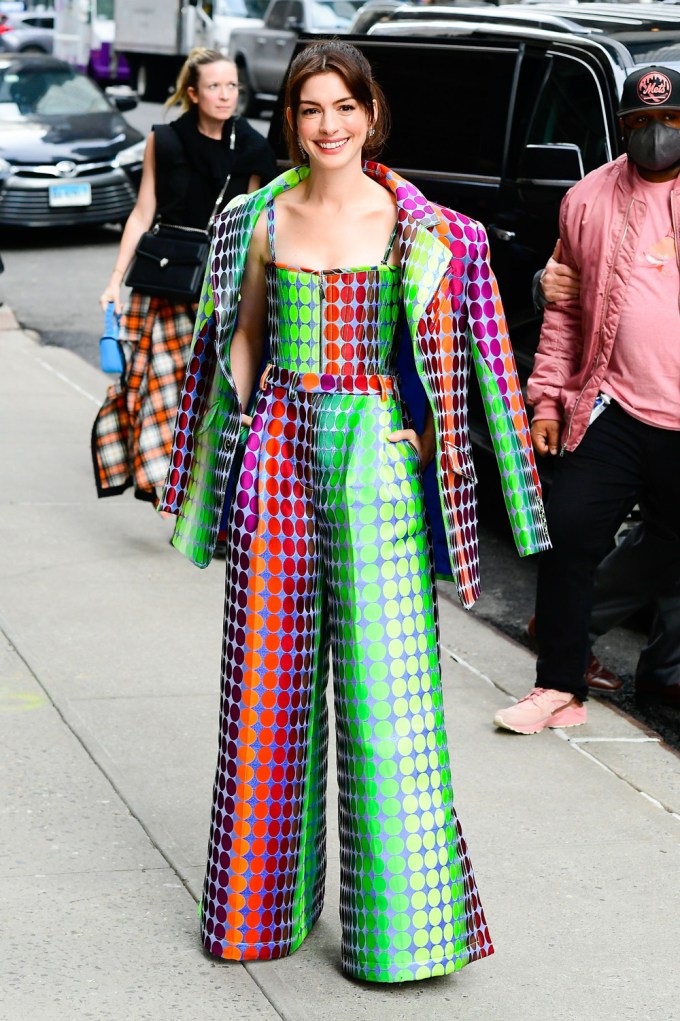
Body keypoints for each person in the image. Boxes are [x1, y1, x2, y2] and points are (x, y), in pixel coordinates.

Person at [160, 40, 550, 982]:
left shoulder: (426, 229)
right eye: (308, 109)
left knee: (386, 696)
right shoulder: (260, 215)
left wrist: (415, 443)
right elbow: (241, 338)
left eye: (344, 106)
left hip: (372, 464)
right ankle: (256, 913)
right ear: (289, 120)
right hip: (279, 458)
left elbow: (477, 368)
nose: (328, 125)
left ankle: (400, 934)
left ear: (371, 113)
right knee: (265, 691)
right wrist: (251, 438)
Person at [494, 65, 680, 736]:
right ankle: (558, 685)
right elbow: (565, 316)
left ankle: (666, 669)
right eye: (640, 124)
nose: (657, 134)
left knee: (671, 543)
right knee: (568, 528)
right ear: (622, 127)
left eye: (672, 121)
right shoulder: (587, 199)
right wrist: (545, 400)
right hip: (617, 403)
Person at [91, 48, 277, 504]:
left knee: (210, 391)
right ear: (193, 93)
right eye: (214, 86)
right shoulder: (166, 140)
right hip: (165, 281)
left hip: (217, 283)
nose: (225, 95)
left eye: (232, 85)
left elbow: (253, 227)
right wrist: (115, 279)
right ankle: (160, 485)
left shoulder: (251, 146)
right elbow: (142, 212)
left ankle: (195, 492)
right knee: (156, 383)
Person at [533, 248, 680, 700]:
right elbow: (575, 265)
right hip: (627, 398)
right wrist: (545, 282)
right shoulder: (612, 189)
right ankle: (573, 626)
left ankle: (667, 671)